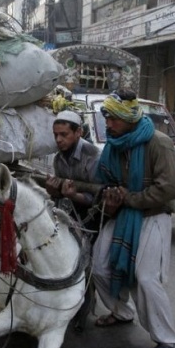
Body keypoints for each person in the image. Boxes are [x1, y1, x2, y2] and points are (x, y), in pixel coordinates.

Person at [91, 89, 175, 348]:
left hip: (153, 215)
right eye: (106, 118)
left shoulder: (159, 143)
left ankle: (168, 340)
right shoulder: (113, 145)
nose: (108, 125)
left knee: (145, 278)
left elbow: (171, 188)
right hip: (121, 214)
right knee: (98, 266)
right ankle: (122, 312)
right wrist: (109, 196)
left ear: (129, 118)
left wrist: (129, 198)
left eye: (113, 119)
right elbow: (104, 181)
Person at [45, 110, 102, 334]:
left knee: (89, 267)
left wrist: (72, 195)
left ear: (78, 132)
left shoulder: (93, 156)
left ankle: (85, 309)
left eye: (64, 134)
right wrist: (54, 192)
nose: (59, 140)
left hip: (95, 216)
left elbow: (97, 198)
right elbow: (59, 193)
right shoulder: (59, 158)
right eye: (56, 135)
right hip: (72, 213)